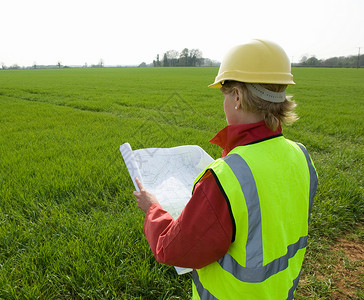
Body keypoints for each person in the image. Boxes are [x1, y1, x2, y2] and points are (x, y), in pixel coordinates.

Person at [133, 39, 318, 299]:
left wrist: (153, 208)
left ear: (238, 97)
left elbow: (174, 249)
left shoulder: (225, 177)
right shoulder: (301, 156)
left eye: (226, 95)